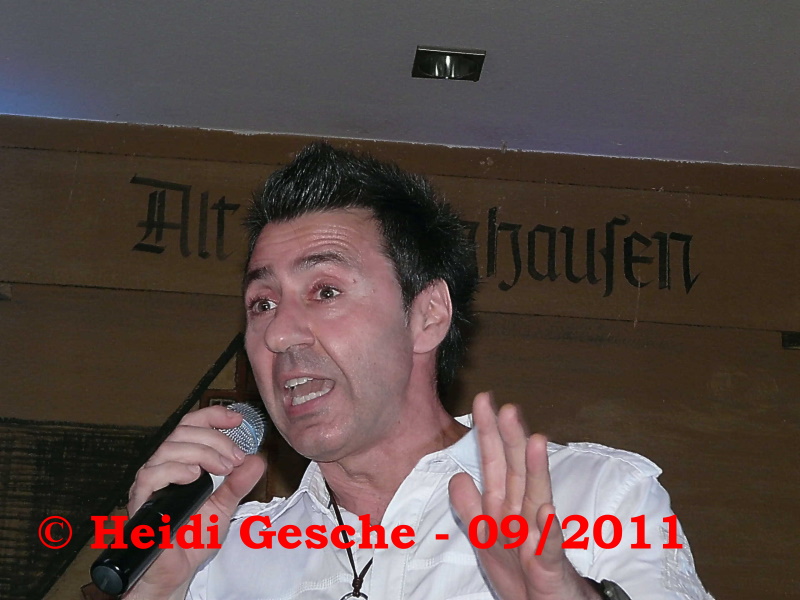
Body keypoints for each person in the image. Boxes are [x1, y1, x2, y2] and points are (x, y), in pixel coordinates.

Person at [125, 142, 713, 600]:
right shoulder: (221, 554)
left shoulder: (594, 500)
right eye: (262, 303)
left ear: (427, 316)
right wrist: (154, 589)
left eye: (325, 290)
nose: (278, 333)